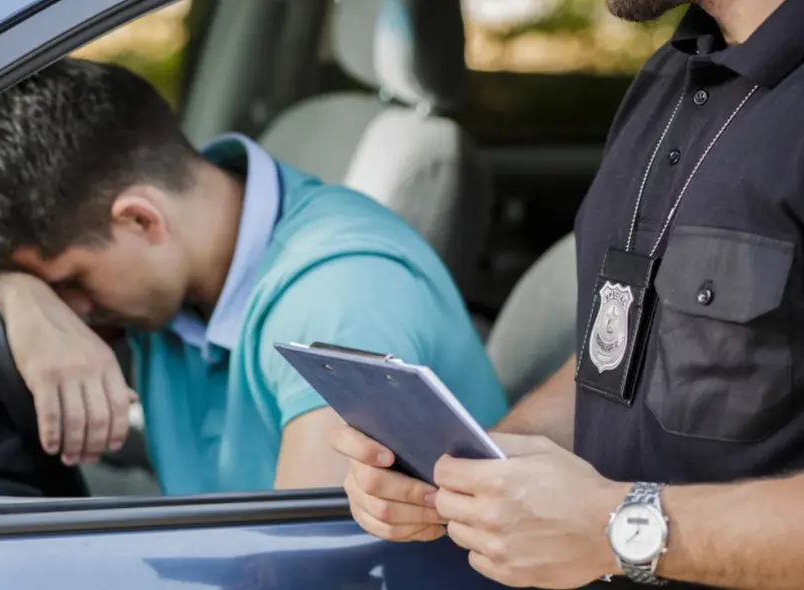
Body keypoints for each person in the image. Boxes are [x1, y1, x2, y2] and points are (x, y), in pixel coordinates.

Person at [0, 58, 508, 496]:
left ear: (141, 220)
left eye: (71, 281)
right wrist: (18, 299)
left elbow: (304, 566)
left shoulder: (338, 297)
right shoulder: (176, 257)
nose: (71, 309)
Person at [331, 0, 804, 588]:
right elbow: (633, 353)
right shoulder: (670, 77)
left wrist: (619, 528)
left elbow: (606, 524)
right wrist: (464, 470)